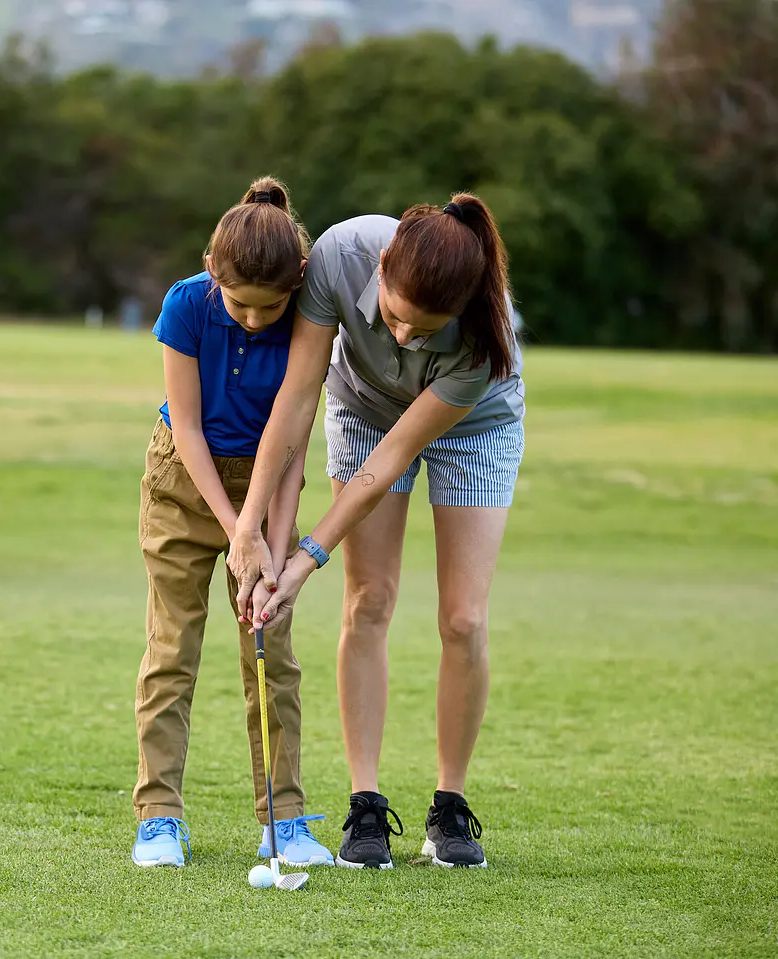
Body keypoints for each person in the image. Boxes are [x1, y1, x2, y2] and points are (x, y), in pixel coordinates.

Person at [228, 194, 524, 870]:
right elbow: (299, 393)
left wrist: (304, 558)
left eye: (425, 330)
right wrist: (250, 526)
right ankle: (366, 804)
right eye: (394, 316)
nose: (403, 338)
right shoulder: (339, 254)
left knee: (463, 618)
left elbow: (391, 460)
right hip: (361, 406)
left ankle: (450, 806)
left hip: (474, 429)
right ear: (383, 267)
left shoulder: (481, 341)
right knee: (370, 599)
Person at [130, 177, 333, 869]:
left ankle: (285, 817)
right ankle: (159, 816)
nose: (254, 318)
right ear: (212, 270)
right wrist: (236, 530)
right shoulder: (186, 303)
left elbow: (295, 444)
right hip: (184, 487)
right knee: (171, 646)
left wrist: (271, 553)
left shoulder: (309, 315)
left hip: (269, 482)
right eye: (240, 303)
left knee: (272, 644)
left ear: (298, 281)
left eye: (268, 306)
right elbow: (185, 426)